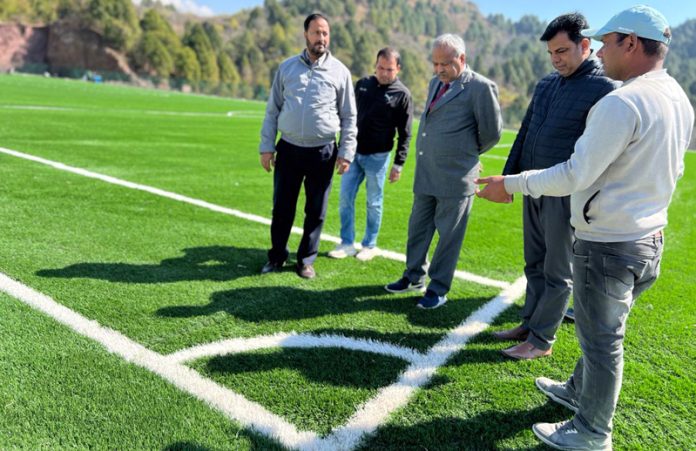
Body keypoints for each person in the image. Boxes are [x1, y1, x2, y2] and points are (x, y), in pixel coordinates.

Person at [476, 6, 694, 449]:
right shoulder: (677, 95)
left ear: (630, 43)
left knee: (601, 342)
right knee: (600, 329)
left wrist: (511, 183)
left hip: (610, 244)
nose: (601, 49)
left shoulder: (622, 100)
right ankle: (577, 391)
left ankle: (594, 431)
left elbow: (576, 173)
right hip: (647, 239)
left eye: (607, 41)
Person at [494, 13, 618, 360]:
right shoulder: (547, 83)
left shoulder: (606, 88)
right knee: (533, 262)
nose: (556, 59)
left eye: (562, 51)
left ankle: (542, 339)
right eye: (551, 53)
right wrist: (508, 181)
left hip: (565, 195)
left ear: (585, 45)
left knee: (557, 270)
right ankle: (530, 322)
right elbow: (525, 133)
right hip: (532, 187)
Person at [385, 33, 502, 309]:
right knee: (417, 230)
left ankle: (437, 289)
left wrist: (467, 155)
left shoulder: (481, 88)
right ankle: (413, 276)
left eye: (445, 64)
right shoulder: (434, 82)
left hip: (457, 177)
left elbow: (492, 133)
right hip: (427, 174)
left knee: (448, 238)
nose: (438, 70)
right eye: (434, 64)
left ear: (461, 59)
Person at [258, 13, 357, 279]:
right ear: (306, 34)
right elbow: (272, 110)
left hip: (323, 152)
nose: (321, 38)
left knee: (316, 210)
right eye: (316, 32)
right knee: (282, 208)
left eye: (325, 33)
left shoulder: (340, 72)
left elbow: (349, 116)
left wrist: (346, 152)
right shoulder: (287, 68)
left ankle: (305, 260)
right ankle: (277, 256)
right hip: (288, 149)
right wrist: (267, 146)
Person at [328, 48, 414, 261]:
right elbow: (348, 117)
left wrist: (398, 164)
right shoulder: (362, 84)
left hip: (378, 157)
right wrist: (342, 149)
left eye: (389, 69)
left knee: (373, 202)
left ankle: (369, 245)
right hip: (353, 153)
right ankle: (347, 243)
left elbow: (406, 133)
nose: (384, 73)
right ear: (375, 65)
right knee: (345, 198)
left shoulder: (402, 94)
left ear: (398, 69)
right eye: (380, 68)